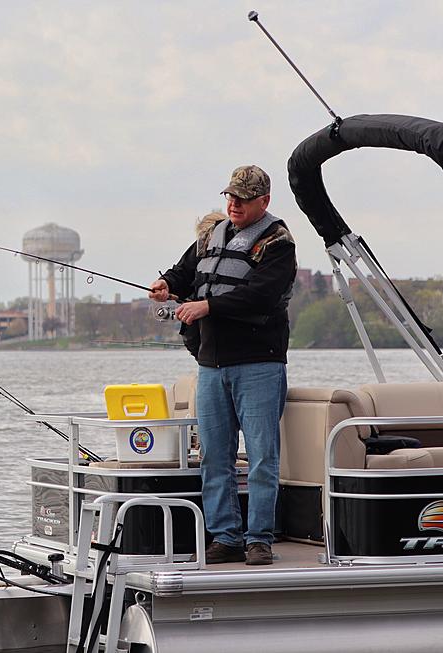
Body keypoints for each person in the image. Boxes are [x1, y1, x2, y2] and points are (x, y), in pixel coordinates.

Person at [149, 165, 296, 566]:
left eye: (243, 200)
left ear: (263, 202)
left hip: (259, 365)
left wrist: (207, 305)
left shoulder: (279, 243)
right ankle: (225, 537)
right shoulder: (210, 236)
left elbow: (260, 296)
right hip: (212, 365)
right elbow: (183, 273)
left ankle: (259, 539)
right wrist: (168, 286)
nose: (233, 204)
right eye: (230, 197)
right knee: (215, 455)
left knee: (263, 455)